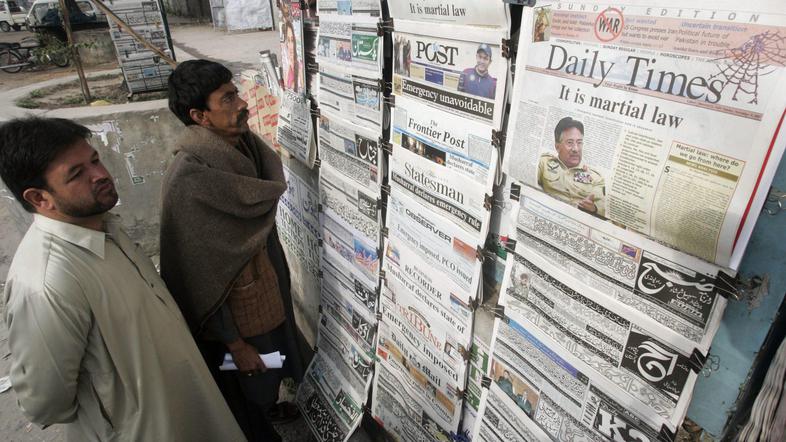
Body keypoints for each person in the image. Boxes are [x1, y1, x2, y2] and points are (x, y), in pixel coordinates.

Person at [0, 117, 245, 441]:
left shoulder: (104, 227)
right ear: (39, 198)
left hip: (191, 409)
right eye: (77, 173)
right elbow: (46, 403)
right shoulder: (48, 285)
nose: (100, 175)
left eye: (95, 160)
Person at [162, 59, 308, 442]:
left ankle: (269, 410)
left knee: (272, 370)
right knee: (246, 387)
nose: (242, 103)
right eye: (227, 98)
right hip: (237, 321)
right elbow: (198, 275)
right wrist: (234, 343)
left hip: (266, 295)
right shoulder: (190, 177)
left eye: (236, 93)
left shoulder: (245, 147)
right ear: (200, 116)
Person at [537, 117, 606, 217]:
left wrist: (593, 208)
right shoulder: (544, 163)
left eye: (579, 143)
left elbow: (603, 208)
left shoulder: (595, 177)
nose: (576, 149)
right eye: (570, 143)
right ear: (557, 147)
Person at [282, 19, 301, 92]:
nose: (290, 45)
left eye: (292, 40)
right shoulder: (288, 63)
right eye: (288, 40)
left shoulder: (300, 65)